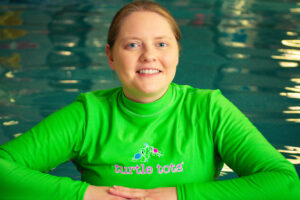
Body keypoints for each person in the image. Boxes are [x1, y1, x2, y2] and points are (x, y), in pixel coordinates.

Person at [0, 1, 299, 200]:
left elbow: (285, 183)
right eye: (132, 45)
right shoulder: (89, 116)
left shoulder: (209, 110)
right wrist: (89, 195)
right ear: (110, 56)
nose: (149, 56)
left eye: (161, 44)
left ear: (177, 53)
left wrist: (176, 194)